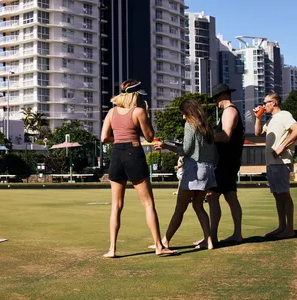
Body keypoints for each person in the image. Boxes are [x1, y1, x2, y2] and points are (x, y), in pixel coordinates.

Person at [101, 79, 175, 257]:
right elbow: (150, 137)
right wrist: (147, 116)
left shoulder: (111, 112)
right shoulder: (139, 112)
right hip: (133, 153)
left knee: (116, 206)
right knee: (148, 203)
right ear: (135, 95)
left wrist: (119, 140)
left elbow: (104, 138)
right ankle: (159, 246)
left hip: (117, 154)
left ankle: (112, 249)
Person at [152, 99, 216, 250]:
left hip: (193, 169)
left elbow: (186, 150)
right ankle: (209, 241)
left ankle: (165, 241)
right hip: (207, 170)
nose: (182, 117)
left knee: (180, 208)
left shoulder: (190, 125)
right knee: (198, 206)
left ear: (188, 113)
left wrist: (165, 145)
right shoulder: (207, 127)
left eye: (183, 114)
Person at [202, 83, 244, 246]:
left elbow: (225, 136)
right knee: (230, 196)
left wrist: (205, 135)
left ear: (221, 96)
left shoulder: (229, 111)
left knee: (212, 196)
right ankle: (236, 234)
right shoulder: (231, 111)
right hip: (229, 161)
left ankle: (212, 236)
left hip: (224, 162)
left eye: (215, 99)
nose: (215, 103)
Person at [254, 92, 297, 238]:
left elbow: (296, 129)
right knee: (277, 195)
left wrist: (282, 147)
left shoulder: (284, 114)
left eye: (266, 102)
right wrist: (258, 118)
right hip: (271, 163)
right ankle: (281, 227)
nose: (263, 105)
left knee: (284, 194)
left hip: (281, 162)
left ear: (274, 103)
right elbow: (258, 132)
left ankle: (289, 229)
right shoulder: (271, 120)